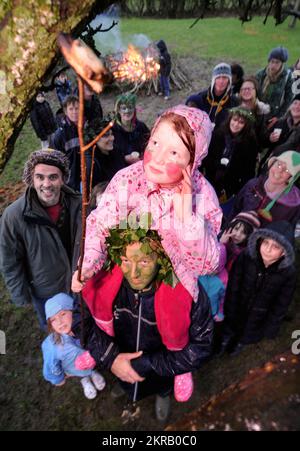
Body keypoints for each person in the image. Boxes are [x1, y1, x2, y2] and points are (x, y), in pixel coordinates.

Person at [72, 105, 222, 302]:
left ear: (192, 161)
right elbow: (100, 225)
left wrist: (187, 219)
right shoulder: (129, 180)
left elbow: (207, 265)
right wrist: (88, 264)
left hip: (171, 290)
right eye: (155, 143)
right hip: (125, 280)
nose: (158, 157)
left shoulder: (202, 195)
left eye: (174, 153)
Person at [77, 225, 213, 420]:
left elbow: (200, 348)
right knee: (125, 379)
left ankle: (163, 395)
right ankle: (125, 388)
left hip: (161, 370)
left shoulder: (188, 291)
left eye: (143, 261)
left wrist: (148, 363)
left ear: (162, 258)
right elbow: (78, 317)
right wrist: (110, 358)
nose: (133, 273)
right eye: (125, 260)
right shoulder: (99, 276)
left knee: (161, 385)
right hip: (118, 359)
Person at [0, 150, 82, 330]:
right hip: (47, 293)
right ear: (31, 179)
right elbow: (10, 261)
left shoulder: (79, 204)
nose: (46, 184)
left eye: (53, 177)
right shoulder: (14, 216)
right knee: (58, 336)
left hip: (79, 285)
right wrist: (21, 295)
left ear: (63, 179)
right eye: (40, 177)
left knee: (82, 330)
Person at [219, 220, 297, 356]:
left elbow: (282, 303)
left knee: (248, 331)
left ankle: (239, 343)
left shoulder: (288, 274)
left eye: (275, 247)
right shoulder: (246, 257)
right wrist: (229, 305)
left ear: (284, 252)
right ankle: (224, 341)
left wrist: (272, 326)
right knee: (230, 326)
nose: (268, 249)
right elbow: (234, 284)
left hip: (259, 314)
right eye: (265, 242)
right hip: (238, 304)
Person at [42, 293, 106, 399]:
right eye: (53, 320)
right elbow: (51, 365)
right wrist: (58, 378)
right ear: (50, 325)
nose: (60, 322)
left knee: (92, 365)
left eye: (63, 314)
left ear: (74, 311)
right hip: (74, 369)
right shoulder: (53, 347)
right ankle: (85, 379)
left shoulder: (89, 326)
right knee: (81, 372)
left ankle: (93, 372)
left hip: (92, 359)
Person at [229, 150, 300, 229]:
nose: (279, 171)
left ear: (291, 178)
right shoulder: (253, 184)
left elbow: (285, 233)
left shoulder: (292, 205)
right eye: (278, 164)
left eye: (287, 170)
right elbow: (236, 209)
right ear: (272, 164)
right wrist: (227, 229)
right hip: (235, 235)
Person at [203, 106, 258, 198]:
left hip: (230, 185)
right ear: (230, 119)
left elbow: (249, 169)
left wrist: (239, 190)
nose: (236, 124)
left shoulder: (250, 143)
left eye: (241, 122)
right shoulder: (218, 133)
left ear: (246, 125)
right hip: (210, 178)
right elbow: (207, 155)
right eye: (235, 120)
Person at [186, 62, 238, 128]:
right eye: (218, 77)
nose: (221, 81)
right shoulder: (201, 98)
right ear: (214, 80)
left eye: (225, 78)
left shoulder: (234, 102)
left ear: (229, 80)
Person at [256, 46, 293, 129]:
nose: (273, 65)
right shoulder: (261, 74)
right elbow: (253, 91)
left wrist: (278, 117)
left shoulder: (288, 77)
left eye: (277, 62)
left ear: (282, 63)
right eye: (272, 61)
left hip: (274, 116)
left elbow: (289, 99)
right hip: (258, 113)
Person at [259, 93, 300, 168]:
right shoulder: (280, 123)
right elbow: (263, 142)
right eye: (295, 103)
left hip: (286, 171)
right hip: (268, 165)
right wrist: (270, 138)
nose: (297, 107)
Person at [85, 118, 127, 189]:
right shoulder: (91, 163)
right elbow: (93, 192)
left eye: (111, 134)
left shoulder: (116, 150)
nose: (112, 138)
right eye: (106, 135)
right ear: (95, 138)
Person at [50, 96, 81, 192]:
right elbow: (55, 161)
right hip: (71, 180)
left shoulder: (86, 128)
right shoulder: (60, 135)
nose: (74, 112)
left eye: (77, 108)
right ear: (65, 111)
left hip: (87, 175)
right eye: (71, 109)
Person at [112, 93, 150, 165]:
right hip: (120, 167)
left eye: (130, 107)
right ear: (119, 111)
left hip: (139, 165)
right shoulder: (113, 130)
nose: (127, 111)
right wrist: (124, 158)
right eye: (124, 108)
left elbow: (149, 142)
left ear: (134, 109)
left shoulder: (140, 127)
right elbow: (110, 154)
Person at [237, 76, 270, 144]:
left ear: (256, 91)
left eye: (249, 89)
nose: (246, 91)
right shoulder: (235, 106)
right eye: (244, 89)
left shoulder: (262, 110)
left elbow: (263, 136)